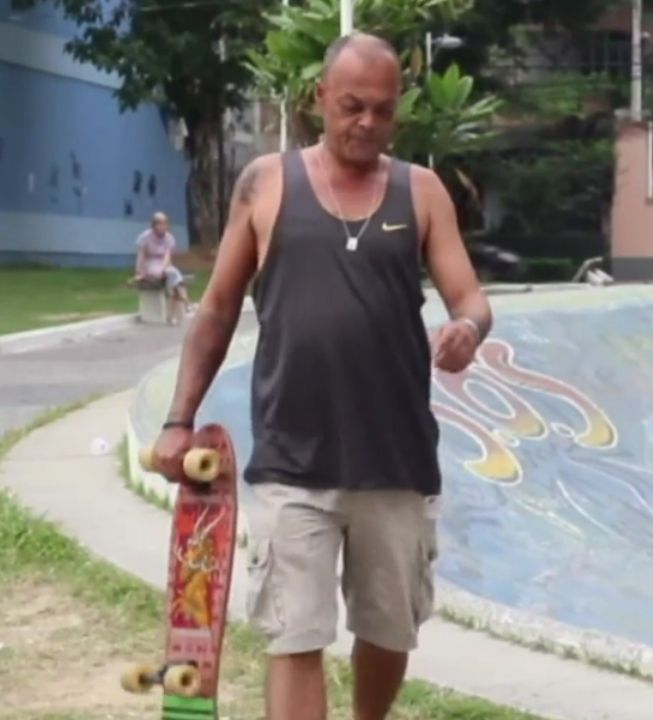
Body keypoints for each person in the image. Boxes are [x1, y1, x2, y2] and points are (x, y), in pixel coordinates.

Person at [147, 32, 493, 720]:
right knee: (294, 635)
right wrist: (178, 420)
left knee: (388, 631)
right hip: (292, 457)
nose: (367, 122)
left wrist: (468, 330)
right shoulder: (266, 183)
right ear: (319, 100)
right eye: (352, 106)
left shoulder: (420, 192)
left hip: (395, 457)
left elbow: (472, 298)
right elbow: (215, 311)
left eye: (383, 110)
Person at [133, 211, 190, 323]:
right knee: (173, 279)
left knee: (173, 274)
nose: (164, 227)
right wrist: (139, 272)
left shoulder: (169, 238)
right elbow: (141, 256)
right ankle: (184, 301)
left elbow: (167, 256)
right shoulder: (145, 236)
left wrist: (163, 268)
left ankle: (174, 310)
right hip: (150, 264)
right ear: (154, 225)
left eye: (165, 224)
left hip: (164, 265)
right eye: (161, 224)